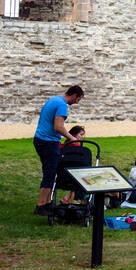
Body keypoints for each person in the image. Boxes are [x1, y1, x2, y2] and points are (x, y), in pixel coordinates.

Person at [34, 84, 83, 215]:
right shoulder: (62, 105)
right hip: (48, 142)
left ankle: (48, 203)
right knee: (49, 173)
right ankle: (41, 205)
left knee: (50, 171)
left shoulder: (54, 99)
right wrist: (72, 138)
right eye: (78, 100)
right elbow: (58, 127)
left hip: (40, 139)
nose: (76, 103)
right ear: (74, 95)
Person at [58, 125, 86, 205]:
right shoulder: (77, 147)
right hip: (73, 174)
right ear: (73, 135)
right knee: (80, 179)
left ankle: (66, 199)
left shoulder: (63, 146)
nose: (82, 137)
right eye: (81, 134)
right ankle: (73, 201)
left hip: (63, 174)